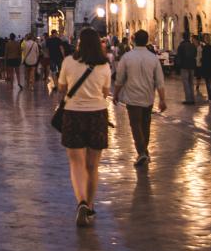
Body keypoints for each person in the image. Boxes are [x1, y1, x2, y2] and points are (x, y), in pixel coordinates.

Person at [56, 27, 112, 227]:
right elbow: (106, 92)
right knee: (93, 165)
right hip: (97, 115)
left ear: (79, 43)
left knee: (76, 164)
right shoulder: (104, 66)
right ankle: (90, 204)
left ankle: (80, 202)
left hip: (73, 115)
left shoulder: (68, 62)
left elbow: (61, 88)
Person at [113, 29, 167, 167]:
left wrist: (116, 94)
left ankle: (142, 152)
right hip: (148, 97)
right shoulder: (153, 58)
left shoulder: (127, 57)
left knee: (135, 125)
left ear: (134, 40)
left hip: (132, 97)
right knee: (145, 124)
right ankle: (144, 151)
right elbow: (159, 81)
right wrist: (162, 99)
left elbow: (119, 79)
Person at [175, 33, 197, 105]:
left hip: (184, 66)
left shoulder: (181, 46)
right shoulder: (193, 45)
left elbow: (179, 56)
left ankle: (188, 99)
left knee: (186, 83)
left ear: (183, 37)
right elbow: (195, 55)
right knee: (191, 82)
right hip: (192, 65)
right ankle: (192, 98)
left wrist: (177, 67)